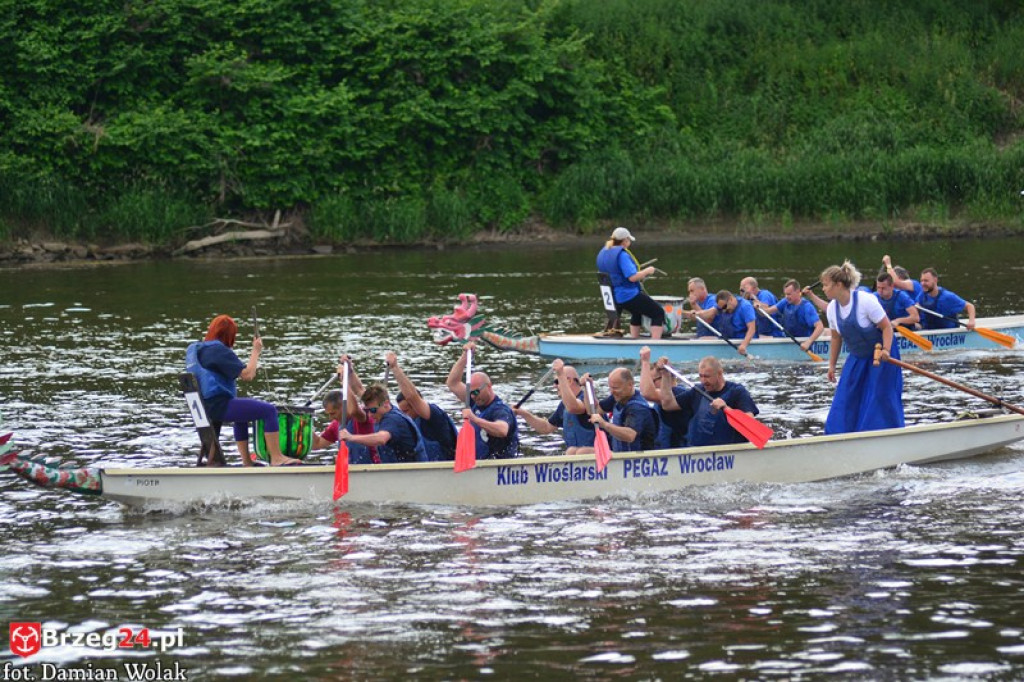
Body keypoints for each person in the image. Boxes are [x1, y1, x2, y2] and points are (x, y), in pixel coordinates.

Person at [184, 314, 299, 466]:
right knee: (269, 411)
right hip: (218, 407)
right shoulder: (219, 351)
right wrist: (256, 351)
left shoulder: (200, 350)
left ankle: (247, 463)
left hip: (205, 409)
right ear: (229, 335)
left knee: (241, 416)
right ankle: (277, 458)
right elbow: (248, 375)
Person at [821, 261, 904, 434]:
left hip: (881, 355)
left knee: (878, 397)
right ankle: (840, 435)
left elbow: (887, 327)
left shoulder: (866, 301)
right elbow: (836, 338)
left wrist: (886, 350)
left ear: (839, 284)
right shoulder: (831, 309)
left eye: (826, 285)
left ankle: (886, 434)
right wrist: (831, 366)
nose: (823, 289)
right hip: (858, 357)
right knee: (846, 397)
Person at [655, 355, 759, 447]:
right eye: (701, 376)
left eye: (707, 376)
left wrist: (726, 408)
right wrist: (665, 375)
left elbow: (750, 424)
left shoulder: (737, 392)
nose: (704, 381)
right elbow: (667, 405)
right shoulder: (697, 391)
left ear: (719, 373)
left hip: (727, 455)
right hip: (699, 455)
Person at [446, 342, 519, 459]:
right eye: (470, 393)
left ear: (489, 386)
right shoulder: (475, 400)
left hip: (499, 466)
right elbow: (452, 383)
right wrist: (465, 356)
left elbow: (502, 430)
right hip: (478, 463)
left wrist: (474, 419)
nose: (473, 396)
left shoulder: (500, 410)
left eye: (476, 392)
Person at [513, 359, 595, 455]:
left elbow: (573, 407)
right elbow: (546, 427)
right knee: (572, 451)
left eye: (557, 381)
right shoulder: (564, 405)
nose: (554, 386)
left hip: (598, 453)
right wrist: (523, 413)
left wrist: (560, 374)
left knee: (578, 452)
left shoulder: (585, 398)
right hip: (578, 457)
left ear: (568, 381)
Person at [385, 351, 457, 461]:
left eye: (406, 411)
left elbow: (412, 397)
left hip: (445, 469)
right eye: (402, 411)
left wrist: (395, 368)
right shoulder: (407, 424)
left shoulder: (435, 416)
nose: (404, 415)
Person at [595, 227, 665, 339]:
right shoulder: (622, 255)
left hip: (613, 296)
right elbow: (632, 278)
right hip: (627, 295)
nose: (630, 242)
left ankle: (634, 340)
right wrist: (647, 271)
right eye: (629, 240)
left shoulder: (605, 252)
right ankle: (655, 345)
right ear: (625, 241)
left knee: (637, 312)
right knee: (658, 313)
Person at [338, 384, 428, 463]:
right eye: (367, 410)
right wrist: (348, 373)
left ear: (386, 403)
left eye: (373, 410)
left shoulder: (393, 420)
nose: (369, 415)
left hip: (411, 473)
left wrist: (351, 437)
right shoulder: (383, 408)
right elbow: (359, 389)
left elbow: (382, 438)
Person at [589, 367, 659, 452]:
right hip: (620, 453)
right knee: (576, 451)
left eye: (615, 388)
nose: (612, 392)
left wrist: (604, 424)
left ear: (630, 385)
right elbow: (593, 411)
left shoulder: (638, 408)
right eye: (610, 388)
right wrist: (588, 388)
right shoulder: (617, 397)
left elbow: (630, 436)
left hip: (638, 458)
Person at [638, 346, 687, 448]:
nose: (651, 385)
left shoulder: (678, 393)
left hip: (677, 454)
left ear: (663, 377)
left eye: (652, 382)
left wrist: (645, 361)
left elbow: (647, 393)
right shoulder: (659, 400)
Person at [312, 388, 378, 465]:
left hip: (371, 467)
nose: (330, 418)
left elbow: (354, 410)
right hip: (349, 470)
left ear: (344, 407)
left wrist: (345, 382)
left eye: (333, 413)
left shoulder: (362, 416)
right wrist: (305, 423)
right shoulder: (336, 425)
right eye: (329, 414)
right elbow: (317, 444)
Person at [757, 279, 825, 351]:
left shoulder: (807, 307)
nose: (786, 296)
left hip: (804, 340)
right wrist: (758, 306)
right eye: (785, 294)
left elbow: (820, 327)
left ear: (798, 292)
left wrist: (808, 342)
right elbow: (767, 312)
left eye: (789, 294)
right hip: (789, 340)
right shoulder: (785, 301)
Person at [713, 289, 758, 355]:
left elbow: (752, 329)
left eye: (725, 307)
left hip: (743, 341)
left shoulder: (745, 306)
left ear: (731, 299)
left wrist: (743, 345)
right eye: (722, 308)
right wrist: (697, 314)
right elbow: (709, 312)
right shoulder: (722, 306)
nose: (724, 310)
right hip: (729, 339)